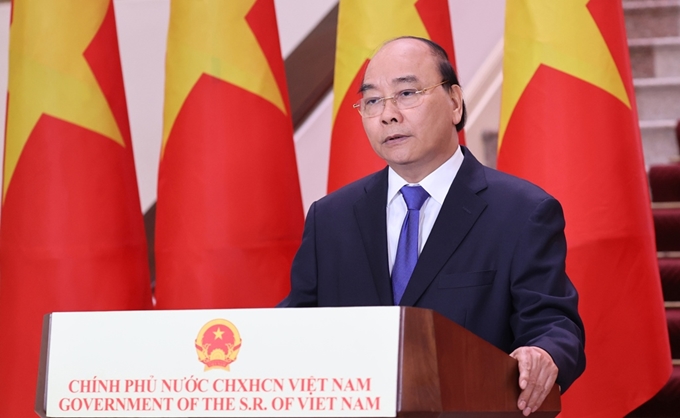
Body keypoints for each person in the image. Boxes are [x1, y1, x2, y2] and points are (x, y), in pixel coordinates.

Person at [280, 36, 585, 416]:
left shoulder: (522, 211)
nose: (388, 114)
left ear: (455, 102)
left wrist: (542, 352)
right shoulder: (330, 218)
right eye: (372, 101)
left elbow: (552, 323)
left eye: (407, 93)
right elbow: (294, 328)